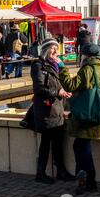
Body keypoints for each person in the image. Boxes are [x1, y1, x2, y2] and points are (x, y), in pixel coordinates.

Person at [58, 43, 100, 195]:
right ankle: (89, 181)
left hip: (84, 117)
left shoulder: (88, 69)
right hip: (98, 117)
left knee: (81, 149)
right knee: (83, 147)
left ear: (86, 56)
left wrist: (62, 67)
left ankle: (85, 181)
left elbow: (70, 86)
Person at [31, 38, 75, 184]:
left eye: (57, 48)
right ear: (45, 49)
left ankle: (60, 171)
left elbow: (61, 84)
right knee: (46, 142)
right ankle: (40, 173)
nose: (56, 51)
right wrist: (58, 92)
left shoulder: (55, 65)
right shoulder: (38, 65)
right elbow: (39, 88)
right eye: (53, 48)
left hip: (57, 110)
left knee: (58, 142)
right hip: (46, 110)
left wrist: (62, 68)